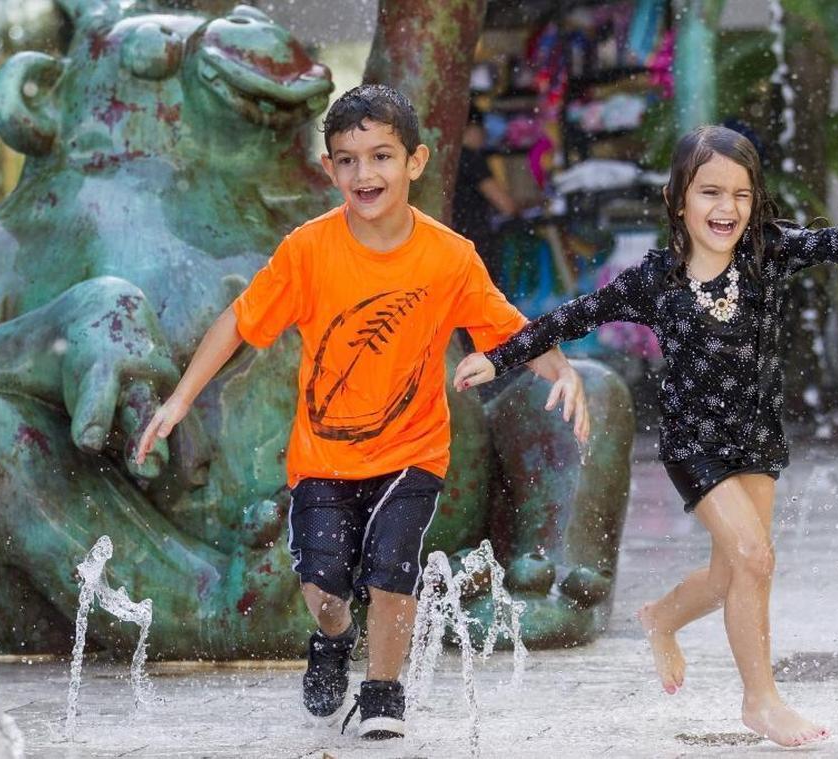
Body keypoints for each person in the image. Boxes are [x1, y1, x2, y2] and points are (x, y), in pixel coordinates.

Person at [453, 125, 838, 748]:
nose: (726, 208)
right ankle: (760, 702)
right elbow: (568, 318)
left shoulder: (766, 252)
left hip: (755, 437)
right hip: (695, 447)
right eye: (710, 192)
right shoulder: (656, 280)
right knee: (754, 559)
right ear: (680, 199)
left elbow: (823, 241)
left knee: (735, 572)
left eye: (740, 194)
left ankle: (661, 617)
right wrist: (498, 357)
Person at [135, 84, 587, 740]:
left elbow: (510, 332)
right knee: (323, 590)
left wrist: (563, 368)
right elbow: (239, 320)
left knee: (392, 569)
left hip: (413, 452)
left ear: (416, 162)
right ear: (329, 169)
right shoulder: (309, 250)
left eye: (380, 156)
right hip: (323, 455)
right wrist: (179, 397)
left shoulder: (448, 256)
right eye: (347, 160)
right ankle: (334, 637)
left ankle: (383, 690)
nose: (364, 173)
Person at [451, 107, 518, 285]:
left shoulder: (446, 157)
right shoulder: (470, 158)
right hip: (476, 240)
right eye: (482, 130)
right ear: (472, 128)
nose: (485, 136)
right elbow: (506, 205)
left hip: (452, 241)